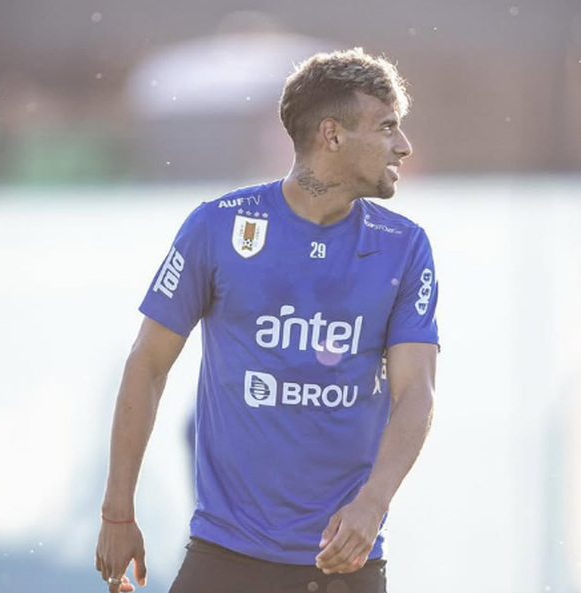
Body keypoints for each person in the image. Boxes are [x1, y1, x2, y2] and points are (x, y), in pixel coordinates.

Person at [95, 47, 440, 593]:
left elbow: (416, 392)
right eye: (386, 127)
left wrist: (372, 503)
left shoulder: (404, 246)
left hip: (344, 563)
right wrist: (118, 512)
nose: (403, 145)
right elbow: (148, 365)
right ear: (332, 135)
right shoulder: (217, 227)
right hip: (224, 558)